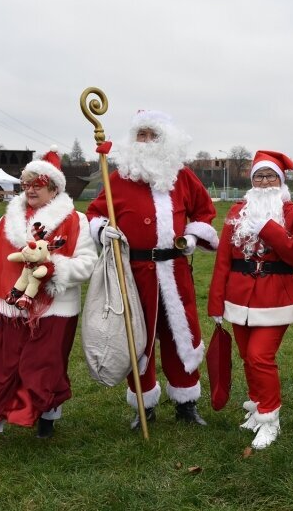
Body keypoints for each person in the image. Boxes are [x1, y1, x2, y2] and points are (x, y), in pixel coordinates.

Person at [0, 147, 97, 450]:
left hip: (56, 309)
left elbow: (87, 263)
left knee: (44, 368)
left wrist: (53, 268)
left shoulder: (75, 220)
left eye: (37, 185)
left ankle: (48, 415)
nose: (30, 190)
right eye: (26, 185)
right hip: (13, 304)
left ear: (54, 189)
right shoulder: (9, 220)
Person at [86, 110, 218, 429]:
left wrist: (190, 236)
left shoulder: (182, 176)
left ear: (165, 141)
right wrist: (103, 230)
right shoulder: (116, 178)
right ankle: (144, 406)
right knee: (136, 337)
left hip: (174, 271)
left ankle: (186, 403)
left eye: (151, 135)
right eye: (140, 136)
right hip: (133, 272)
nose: (145, 142)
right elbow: (94, 213)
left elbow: (205, 213)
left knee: (180, 336)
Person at [208, 150, 293, 449]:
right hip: (239, 296)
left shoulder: (292, 213)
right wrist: (216, 304)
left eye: (270, 176)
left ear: (280, 181)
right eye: (259, 176)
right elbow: (223, 260)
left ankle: (270, 418)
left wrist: (268, 228)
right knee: (246, 356)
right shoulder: (237, 211)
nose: (265, 182)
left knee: (260, 356)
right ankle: (257, 404)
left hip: (276, 295)